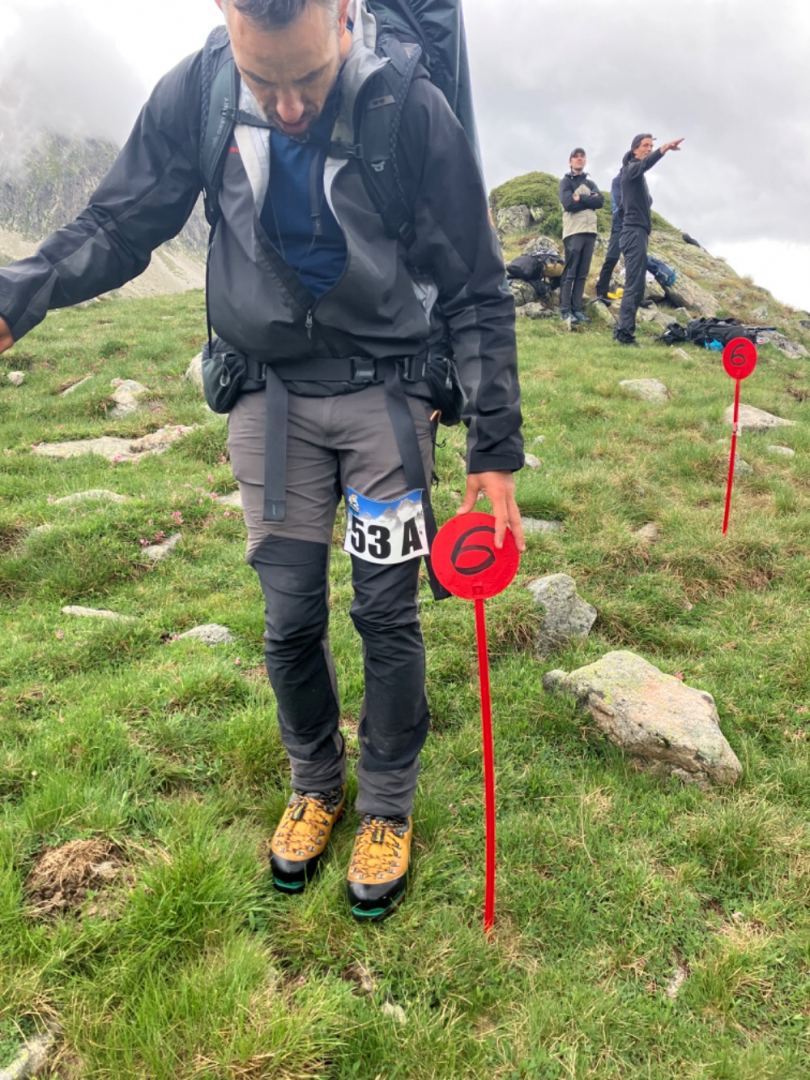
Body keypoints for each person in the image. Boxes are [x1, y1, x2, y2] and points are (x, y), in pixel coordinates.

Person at [0, 0, 524, 921]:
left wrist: (494, 442)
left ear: (345, 14)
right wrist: (19, 296)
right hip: (268, 404)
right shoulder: (199, 91)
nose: (286, 106)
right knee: (288, 619)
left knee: (386, 615)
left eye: (308, 79)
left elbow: (476, 284)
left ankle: (388, 803)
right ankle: (314, 784)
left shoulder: (408, 102)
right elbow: (120, 225)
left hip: (386, 399)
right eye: (263, 80)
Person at [614, 133, 684, 346]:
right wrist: (664, 149)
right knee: (634, 286)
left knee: (636, 286)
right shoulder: (632, 169)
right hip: (633, 232)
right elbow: (645, 164)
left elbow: (627, 205)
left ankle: (621, 331)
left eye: (651, 146)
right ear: (635, 149)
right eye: (645, 146)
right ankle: (625, 336)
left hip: (637, 232)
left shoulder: (633, 176)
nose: (648, 149)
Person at [557, 148, 604, 327]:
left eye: (582, 156)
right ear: (570, 162)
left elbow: (600, 201)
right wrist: (588, 199)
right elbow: (568, 203)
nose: (579, 159)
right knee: (570, 272)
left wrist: (580, 198)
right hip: (573, 231)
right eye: (575, 157)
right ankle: (565, 310)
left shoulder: (590, 183)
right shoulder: (565, 182)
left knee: (582, 273)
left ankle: (577, 309)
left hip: (590, 231)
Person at [594, 168, 623, 304]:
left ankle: (636, 296)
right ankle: (601, 291)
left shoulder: (639, 180)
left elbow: (649, 200)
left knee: (635, 262)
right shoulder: (618, 181)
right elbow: (620, 204)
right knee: (612, 258)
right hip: (619, 224)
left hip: (635, 226)